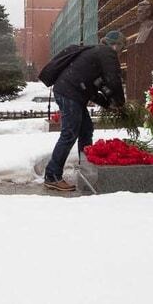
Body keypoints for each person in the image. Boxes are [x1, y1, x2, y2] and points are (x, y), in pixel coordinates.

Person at [43, 30, 126, 192]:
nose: (120, 53)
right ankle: (52, 176)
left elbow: (92, 88)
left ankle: (86, 168)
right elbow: (114, 80)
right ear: (116, 46)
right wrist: (120, 103)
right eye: (121, 49)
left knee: (86, 130)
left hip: (71, 92)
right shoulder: (107, 53)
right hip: (70, 93)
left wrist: (108, 104)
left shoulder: (96, 53)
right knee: (69, 134)